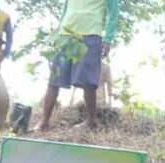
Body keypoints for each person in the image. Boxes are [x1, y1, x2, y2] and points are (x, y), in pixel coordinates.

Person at [35, 0, 119, 131]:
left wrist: (108, 38)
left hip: (90, 35)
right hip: (65, 35)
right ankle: (43, 122)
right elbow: (66, 9)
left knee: (88, 82)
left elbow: (113, 13)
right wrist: (58, 34)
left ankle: (91, 121)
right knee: (54, 80)